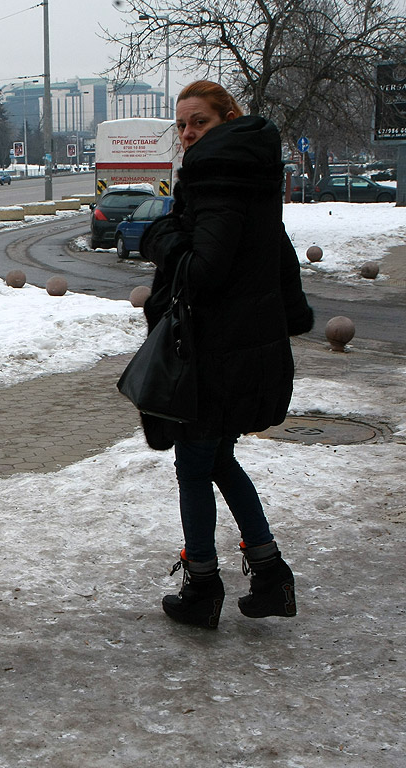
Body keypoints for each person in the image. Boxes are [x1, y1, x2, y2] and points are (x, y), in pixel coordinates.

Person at [138, 80, 314, 629]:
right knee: (217, 460)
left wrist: (160, 235)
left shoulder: (216, 176)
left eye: (200, 122)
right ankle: (269, 575)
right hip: (246, 349)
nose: (189, 134)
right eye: (183, 125)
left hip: (214, 355)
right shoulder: (252, 173)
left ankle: (203, 589)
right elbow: (280, 258)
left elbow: (203, 270)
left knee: (193, 466)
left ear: (226, 118)